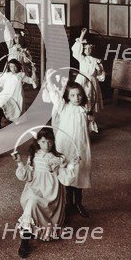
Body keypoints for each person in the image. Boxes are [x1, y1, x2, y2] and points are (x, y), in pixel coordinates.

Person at [13, 128, 76, 258]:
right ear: (38, 142)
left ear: (53, 142)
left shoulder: (59, 158)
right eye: (43, 142)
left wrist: (72, 166)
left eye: (49, 142)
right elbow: (27, 175)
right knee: (31, 203)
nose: (46, 145)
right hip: (34, 188)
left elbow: (66, 179)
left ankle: (36, 229)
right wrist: (19, 162)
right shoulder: (34, 155)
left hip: (51, 191)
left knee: (35, 205)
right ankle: (25, 241)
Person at [44, 70, 93, 217]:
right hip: (65, 145)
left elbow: (91, 94)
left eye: (79, 95)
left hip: (81, 145)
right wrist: (49, 79)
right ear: (67, 97)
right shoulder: (64, 107)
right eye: (72, 95)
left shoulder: (84, 109)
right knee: (66, 172)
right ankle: (68, 204)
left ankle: (78, 203)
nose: (76, 98)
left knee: (79, 172)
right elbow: (54, 95)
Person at [72, 28, 105, 116]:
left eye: (90, 48)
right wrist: (82, 35)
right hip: (82, 79)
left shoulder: (96, 61)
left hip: (92, 81)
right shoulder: (82, 59)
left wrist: (99, 70)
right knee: (80, 97)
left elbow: (101, 75)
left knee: (90, 99)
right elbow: (76, 51)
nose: (88, 50)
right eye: (86, 49)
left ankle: (90, 118)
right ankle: (79, 115)